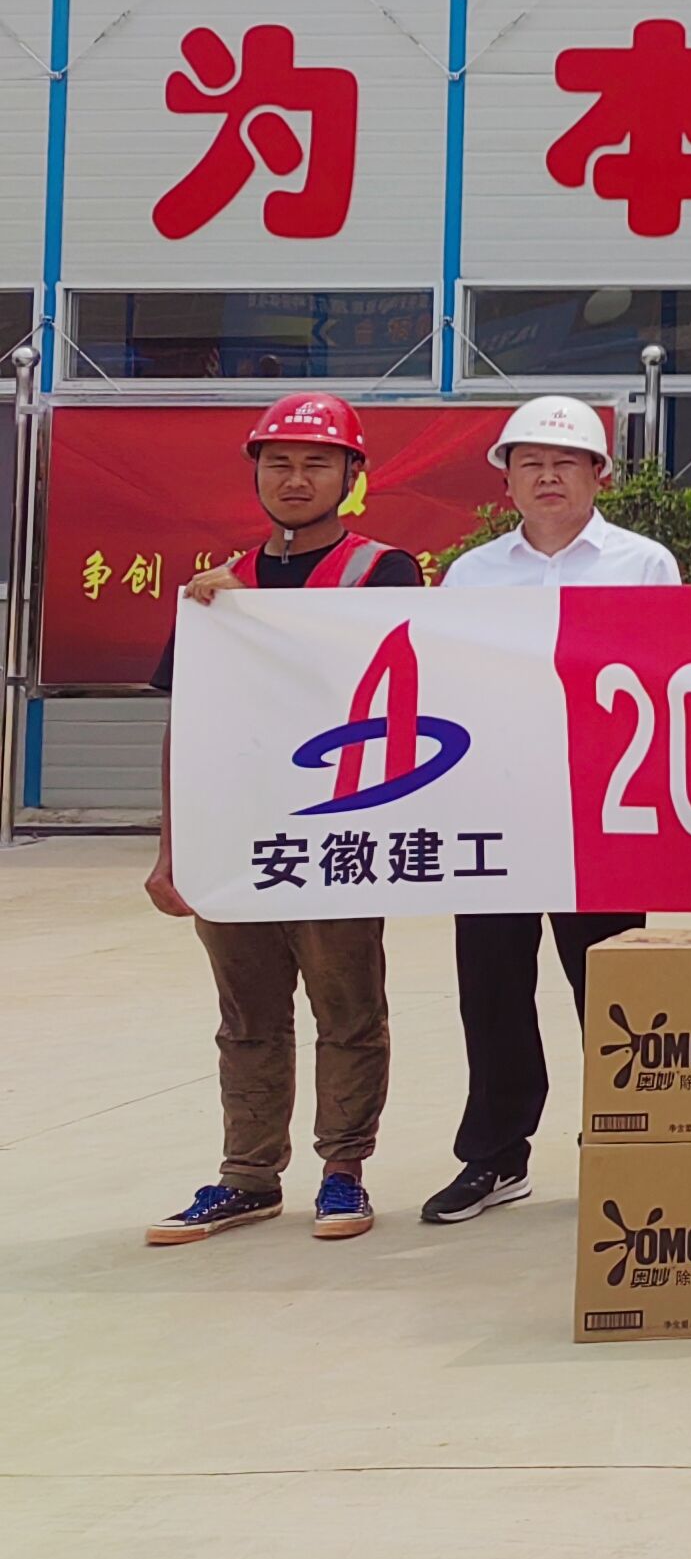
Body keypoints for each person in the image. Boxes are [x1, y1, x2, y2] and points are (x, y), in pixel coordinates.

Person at [144, 394, 416, 1248]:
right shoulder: (218, 589)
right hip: (236, 839)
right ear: (256, 473)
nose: (295, 479)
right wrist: (172, 850)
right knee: (248, 1016)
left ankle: (343, 1171)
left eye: (316, 463)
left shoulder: (383, 572)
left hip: (337, 831)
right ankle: (248, 1177)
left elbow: (397, 696)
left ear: (352, 475)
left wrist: (254, 619)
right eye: (280, 463)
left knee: (348, 1009)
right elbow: (184, 726)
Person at [425, 395, 679, 1226]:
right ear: (505, 479)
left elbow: (669, 678)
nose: (546, 477)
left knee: (610, 980)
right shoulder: (472, 575)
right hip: (496, 803)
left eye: (565, 463)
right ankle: (496, 1155)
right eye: (528, 463)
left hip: (601, 806)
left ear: (600, 475)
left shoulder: (644, 565)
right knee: (491, 980)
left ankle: (627, 1143)